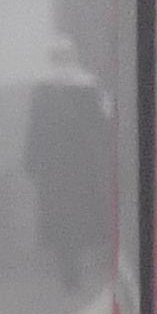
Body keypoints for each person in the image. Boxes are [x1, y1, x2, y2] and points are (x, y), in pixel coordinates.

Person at [26, 70, 113, 291]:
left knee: (63, 221)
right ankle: (72, 269)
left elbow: (34, 131)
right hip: (75, 168)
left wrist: (32, 162)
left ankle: (70, 269)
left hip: (58, 169)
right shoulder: (88, 88)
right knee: (73, 219)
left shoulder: (45, 92)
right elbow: (100, 126)